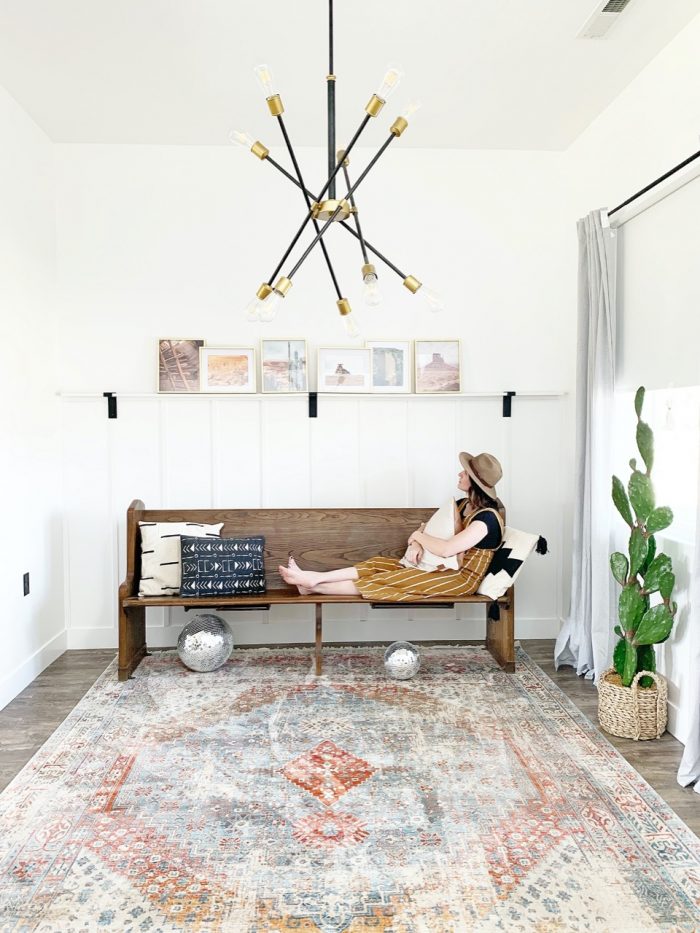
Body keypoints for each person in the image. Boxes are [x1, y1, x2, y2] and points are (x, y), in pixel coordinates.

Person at [278, 451, 504, 601]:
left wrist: (417, 534)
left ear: (474, 480)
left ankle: (313, 583)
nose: (459, 473)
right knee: (379, 564)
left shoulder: (487, 520)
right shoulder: (464, 505)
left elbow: (446, 549)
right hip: (439, 566)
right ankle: (312, 578)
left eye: (464, 472)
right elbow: (430, 527)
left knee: (392, 580)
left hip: (458, 579)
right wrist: (416, 542)